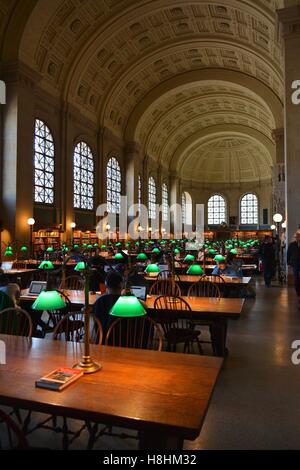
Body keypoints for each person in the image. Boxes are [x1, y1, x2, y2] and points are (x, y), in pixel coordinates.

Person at [93, 270, 123, 341]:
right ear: (121, 285)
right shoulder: (127, 302)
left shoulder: (99, 302)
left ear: (106, 285)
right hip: (123, 341)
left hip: (102, 340)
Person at [287, 229, 300, 300]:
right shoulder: (292, 245)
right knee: (296, 278)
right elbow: (288, 254)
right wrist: (288, 262)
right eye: (297, 237)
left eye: (299, 237)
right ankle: (298, 291)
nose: (298, 238)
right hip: (295, 263)